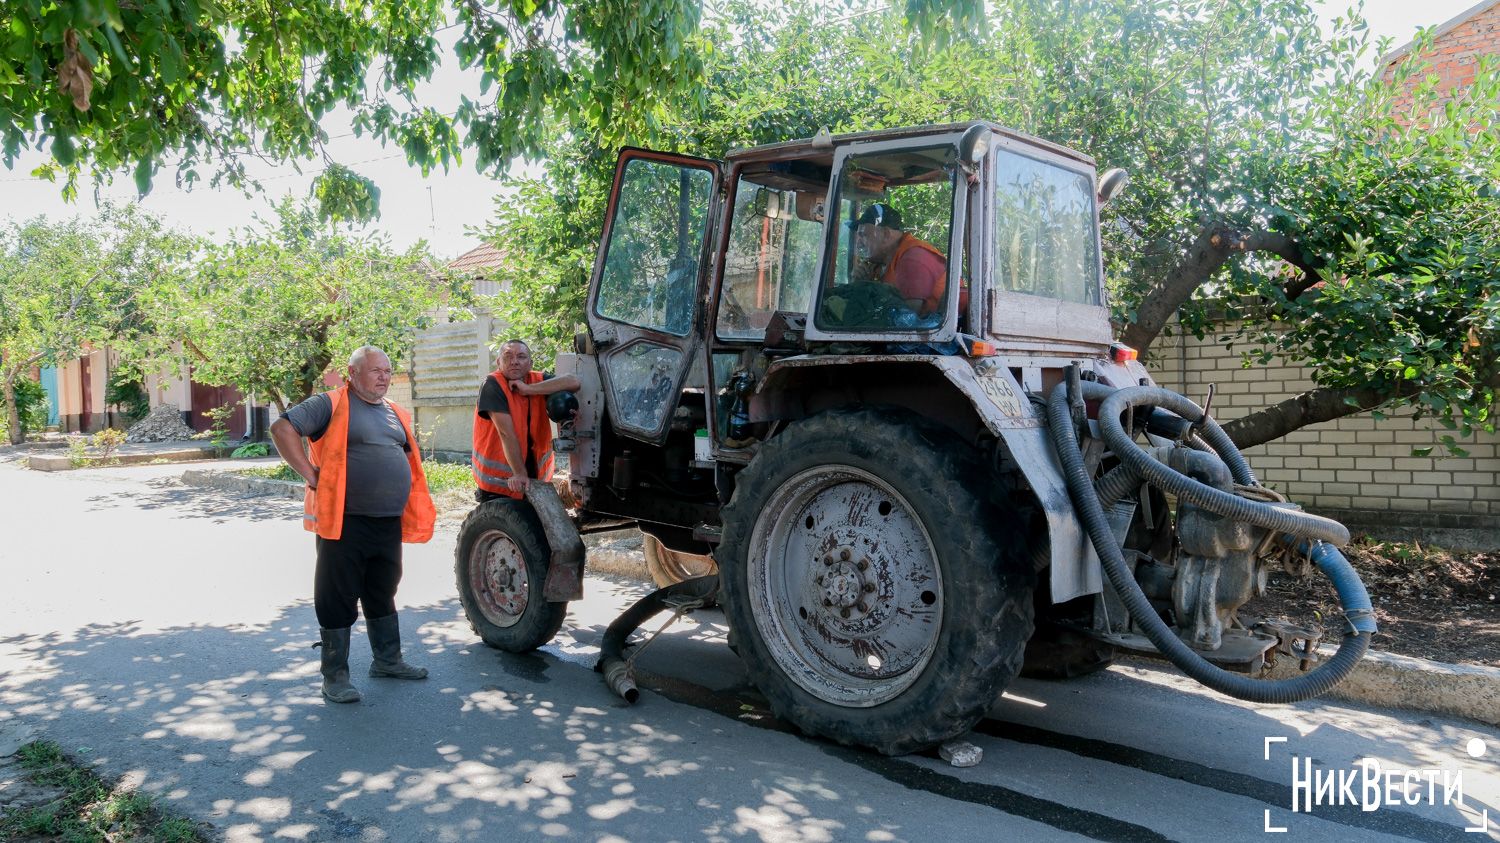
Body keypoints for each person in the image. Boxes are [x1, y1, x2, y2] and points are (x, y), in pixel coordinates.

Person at [270, 346, 435, 704]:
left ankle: (388, 661)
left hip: (387, 521)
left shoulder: (395, 413)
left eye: (388, 371)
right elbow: (282, 428)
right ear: (353, 373)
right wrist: (311, 474)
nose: (383, 377)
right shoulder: (331, 403)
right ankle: (335, 676)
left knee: (382, 589)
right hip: (343, 520)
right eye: (376, 370)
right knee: (337, 595)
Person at [472, 340, 582, 500]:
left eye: (521, 357)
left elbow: (573, 382)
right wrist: (519, 474)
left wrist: (529, 389)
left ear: (530, 363)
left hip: (535, 480)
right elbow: (506, 433)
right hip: (502, 482)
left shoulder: (537, 379)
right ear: (498, 362)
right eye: (507, 356)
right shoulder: (492, 384)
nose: (514, 361)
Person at [852, 202, 949, 317]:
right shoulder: (877, 265)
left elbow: (907, 321)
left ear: (886, 234)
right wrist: (862, 285)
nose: (858, 243)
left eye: (863, 235)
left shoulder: (913, 258)